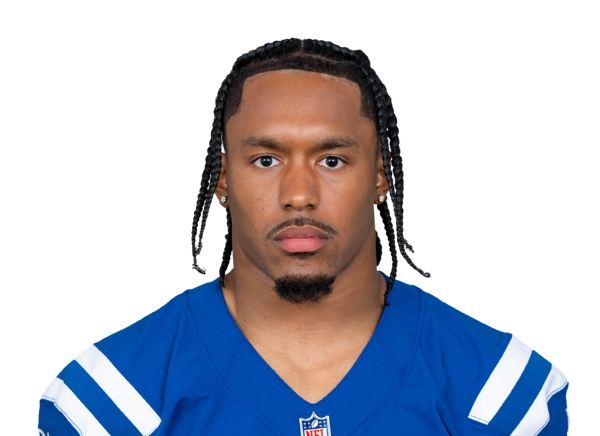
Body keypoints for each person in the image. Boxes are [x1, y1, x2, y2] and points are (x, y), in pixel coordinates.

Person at [38, 38, 569, 435]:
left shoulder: (498, 394)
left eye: (331, 159)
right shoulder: (113, 401)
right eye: (266, 159)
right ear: (222, 180)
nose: (298, 194)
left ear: (381, 176)